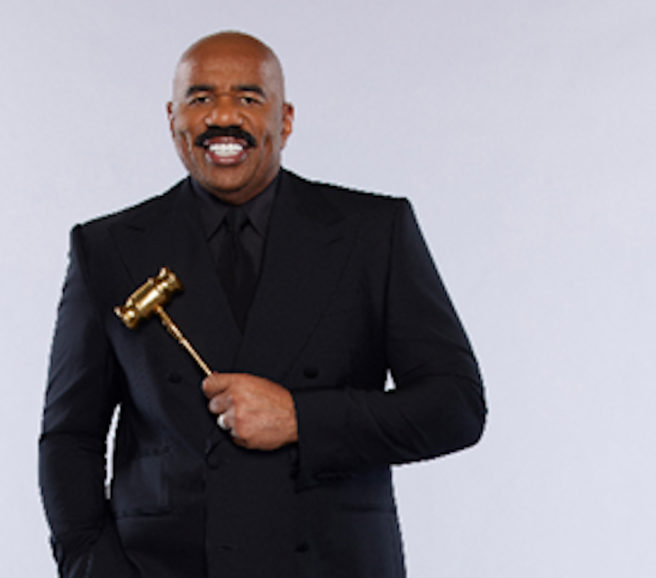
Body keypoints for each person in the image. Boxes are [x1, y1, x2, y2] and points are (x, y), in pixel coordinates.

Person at [39, 31, 486, 578]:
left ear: (285, 120)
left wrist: (302, 418)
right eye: (200, 98)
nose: (223, 116)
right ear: (173, 119)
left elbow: (455, 407)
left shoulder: (373, 233)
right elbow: (70, 437)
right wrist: (93, 567)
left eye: (248, 98)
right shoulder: (108, 248)